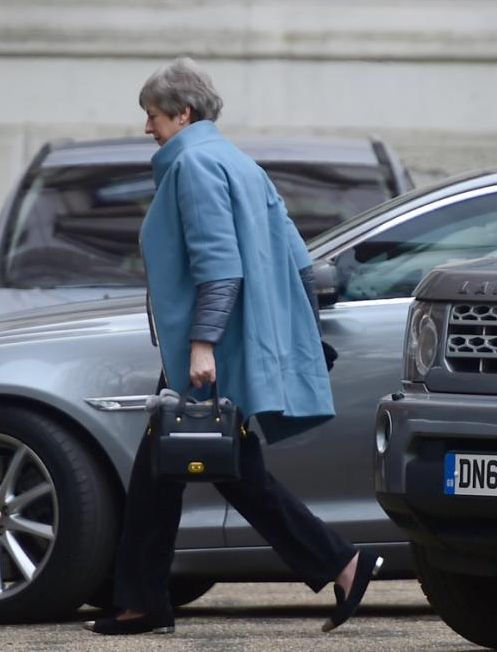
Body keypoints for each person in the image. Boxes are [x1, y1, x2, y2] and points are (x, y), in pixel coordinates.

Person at [85, 57, 381, 636]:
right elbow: (297, 258)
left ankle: (339, 561)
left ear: (184, 113)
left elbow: (219, 269)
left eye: (154, 116)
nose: (148, 128)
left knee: (211, 470)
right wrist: (291, 332)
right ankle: (146, 601)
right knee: (177, 472)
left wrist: (201, 346)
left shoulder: (194, 165)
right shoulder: (239, 163)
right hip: (235, 344)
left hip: (210, 353)